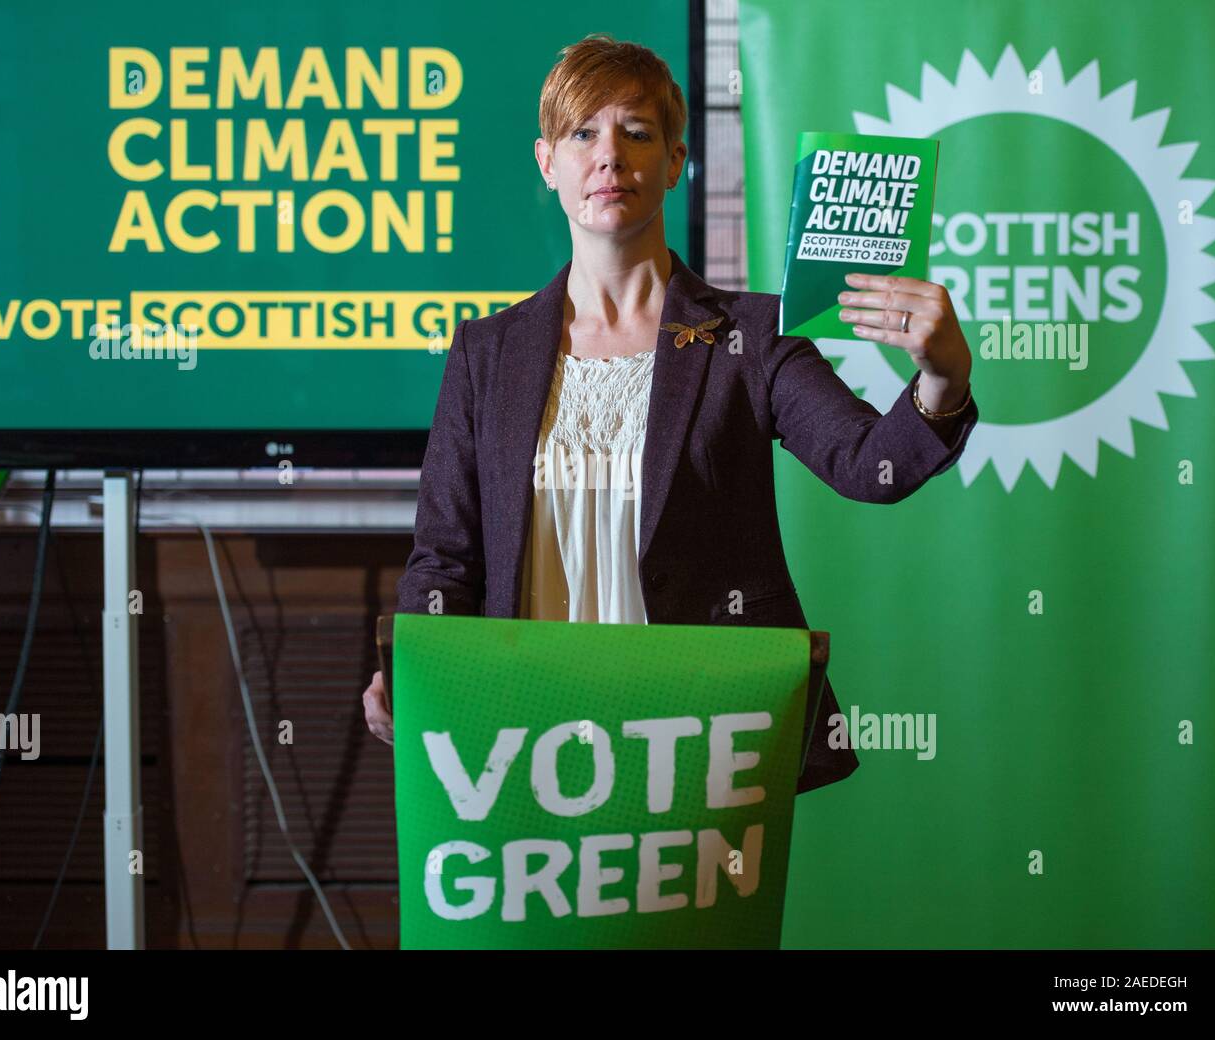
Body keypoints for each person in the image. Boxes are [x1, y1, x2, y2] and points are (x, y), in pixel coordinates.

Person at [363, 33, 976, 793]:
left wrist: (944, 377)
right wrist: (415, 668)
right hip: (518, 735)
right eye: (583, 132)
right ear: (547, 162)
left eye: (637, 133)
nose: (610, 155)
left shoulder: (753, 334)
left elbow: (868, 467)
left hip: (700, 735)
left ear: (677, 162)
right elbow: (445, 559)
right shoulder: (485, 353)